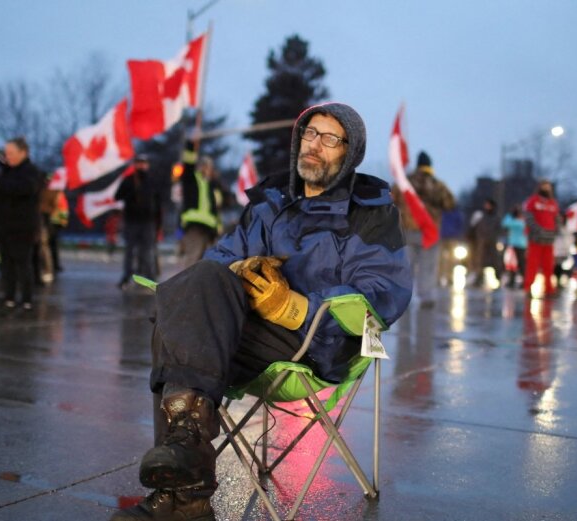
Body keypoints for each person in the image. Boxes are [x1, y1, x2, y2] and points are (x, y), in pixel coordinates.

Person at [110, 103, 412, 521]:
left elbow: (385, 293)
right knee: (191, 290)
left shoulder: (369, 213)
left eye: (329, 139)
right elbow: (220, 258)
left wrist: (296, 308)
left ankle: (183, 497)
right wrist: (237, 271)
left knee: (177, 322)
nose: (314, 145)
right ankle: (187, 470)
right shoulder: (272, 203)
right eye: (309, 134)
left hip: (314, 344)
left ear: (350, 153)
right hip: (248, 333)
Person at [0, 137, 43, 310]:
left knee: (22, 262)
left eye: (11, 153)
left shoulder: (31, 171)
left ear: (23, 153)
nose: (7, 157)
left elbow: (25, 188)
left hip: (23, 227)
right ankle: (9, 296)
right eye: (6, 153)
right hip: (3, 225)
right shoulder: (3, 172)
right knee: (6, 263)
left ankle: (27, 299)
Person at [393, 151, 455, 307]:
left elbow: (391, 199)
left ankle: (402, 296)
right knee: (428, 267)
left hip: (407, 230)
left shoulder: (405, 182)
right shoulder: (437, 185)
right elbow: (450, 204)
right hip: (429, 232)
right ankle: (426, 297)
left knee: (405, 266)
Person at [115, 155, 165, 288]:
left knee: (148, 251)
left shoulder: (152, 181)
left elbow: (158, 204)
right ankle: (126, 277)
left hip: (148, 222)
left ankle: (150, 277)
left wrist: (159, 223)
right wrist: (132, 192)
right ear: (135, 165)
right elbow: (117, 196)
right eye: (139, 163)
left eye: (144, 163)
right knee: (130, 251)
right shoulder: (129, 180)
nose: (141, 166)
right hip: (132, 221)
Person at [179, 148, 224, 268]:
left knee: (206, 262)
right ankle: (187, 285)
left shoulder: (212, 185)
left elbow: (217, 208)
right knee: (193, 258)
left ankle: (199, 285)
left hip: (209, 229)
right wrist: (191, 146)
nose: (205, 169)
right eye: (203, 166)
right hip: (194, 226)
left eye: (208, 167)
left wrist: (217, 228)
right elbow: (188, 164)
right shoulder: (191, 180)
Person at [522, 179, 561, 297]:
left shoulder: (553, 203)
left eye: (548, 186)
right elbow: (528, 218)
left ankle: (549, 289)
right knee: (532, 264)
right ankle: (528, 288)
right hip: (536, 239)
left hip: (549, 240)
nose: (546, 188)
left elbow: (557, 219)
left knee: (548, 266)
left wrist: (555, 230)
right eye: (544, 186)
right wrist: (538, 230)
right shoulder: (533, 201)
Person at [469, 198, 501, 288]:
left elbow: (498, 229)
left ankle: (498, 277)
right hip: (481, 240)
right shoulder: (480, 216)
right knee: (480, 260)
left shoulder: (496, 217)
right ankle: (479, 277)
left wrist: (494, 237)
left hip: (492, 240)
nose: (486, 206)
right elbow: (473, 227)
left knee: (495, 260)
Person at [501, 205, 528, 289]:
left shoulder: (520, 222)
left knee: (521, 264)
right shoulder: (521, 221)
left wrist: (510, 216)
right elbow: (504, 224)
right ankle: (512, 280)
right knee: (512, 264)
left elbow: (506, 223)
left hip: (520, 244)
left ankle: (524, 281)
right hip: (515, 244)